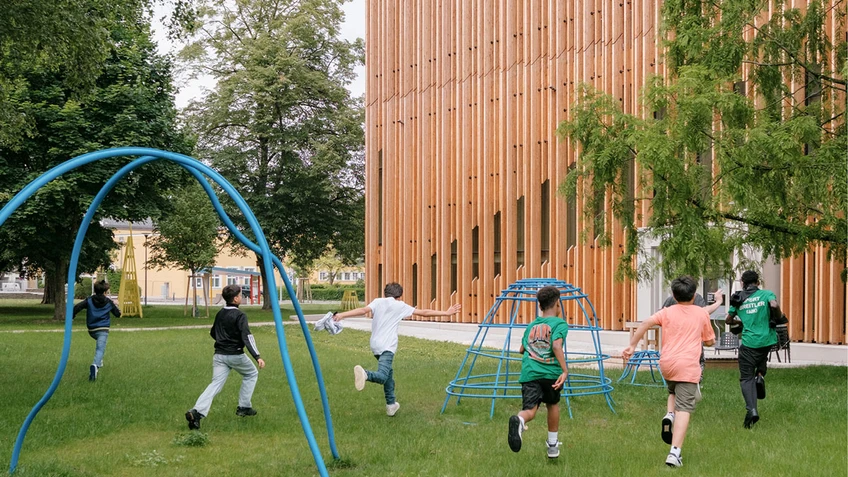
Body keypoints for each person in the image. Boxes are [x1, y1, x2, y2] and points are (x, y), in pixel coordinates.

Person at [623, 276, 716, 468]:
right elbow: (709, 341)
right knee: (685, 408)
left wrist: (632, 346)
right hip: (688, 366)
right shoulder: (701, 314)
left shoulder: (666, 312)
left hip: (666, 364)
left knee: (673, 391)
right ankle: (675, 453)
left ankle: (669, 415)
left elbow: (645, 324)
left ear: (673, 295)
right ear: (695, 295)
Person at [333, 282, 461, 417]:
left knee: (389, 375)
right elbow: (424, 313)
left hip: (375, 345)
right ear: (399, 296)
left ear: (386, 293)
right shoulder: (400, 306)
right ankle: (366, 374)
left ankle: (391, 405)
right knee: (382, 376)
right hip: (387, 346)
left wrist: (341, 315)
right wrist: (446, 313)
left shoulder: (378, 302)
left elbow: (363, 310)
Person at [186, 284, 265, 430]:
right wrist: (257, 356)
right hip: (235, 354)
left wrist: (222, 341)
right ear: (235, 299)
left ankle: (196, 412)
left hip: (219, 355)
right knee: (251, 373)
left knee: (215, 384)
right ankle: (244, 407)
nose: (242, 297)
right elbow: (247, 336)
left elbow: (213, 333)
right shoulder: (240, 315)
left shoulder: (220, 313)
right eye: (241, 295)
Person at [507, 285, 569, 459]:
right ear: (558, 303)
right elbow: (556, 345)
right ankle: (552, 445)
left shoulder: (532, 325)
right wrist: (565, 370)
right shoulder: (560, 324)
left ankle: (519, 421)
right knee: (553, 404)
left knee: (530, 410)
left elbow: (522, 349)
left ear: (540, 306)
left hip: (530, 373)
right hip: (551, 375)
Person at [725, 270, 780, 429]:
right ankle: (760, 375)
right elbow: (774, 305)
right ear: (757, 282)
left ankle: (752, 410)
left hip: (750, 342)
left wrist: (741, 322)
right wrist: (777, 316)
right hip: (767, 340)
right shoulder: (767, 294)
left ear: (743, 283)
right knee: (761, 357)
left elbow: (728, 320)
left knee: (745, 378)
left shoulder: (738, 298)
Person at [662, 288, 724, 384]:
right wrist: (718, 302)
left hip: (673, 351)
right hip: (692, 347)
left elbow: (657, 320)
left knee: (673, 391)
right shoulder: (696, 298)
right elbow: (704, 312)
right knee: (692, 381)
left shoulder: (670, 301)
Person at [73, 280, 121, 381]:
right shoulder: (109, 302)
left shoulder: (89, 300)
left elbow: (77, 307)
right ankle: (95, 365)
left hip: (92, 330)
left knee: (100, 348)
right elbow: (117, 314)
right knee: (100, 349)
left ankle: (99, 361)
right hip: (103, 329)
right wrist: (117, 305)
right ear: (105, 292)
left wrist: (72, 316)